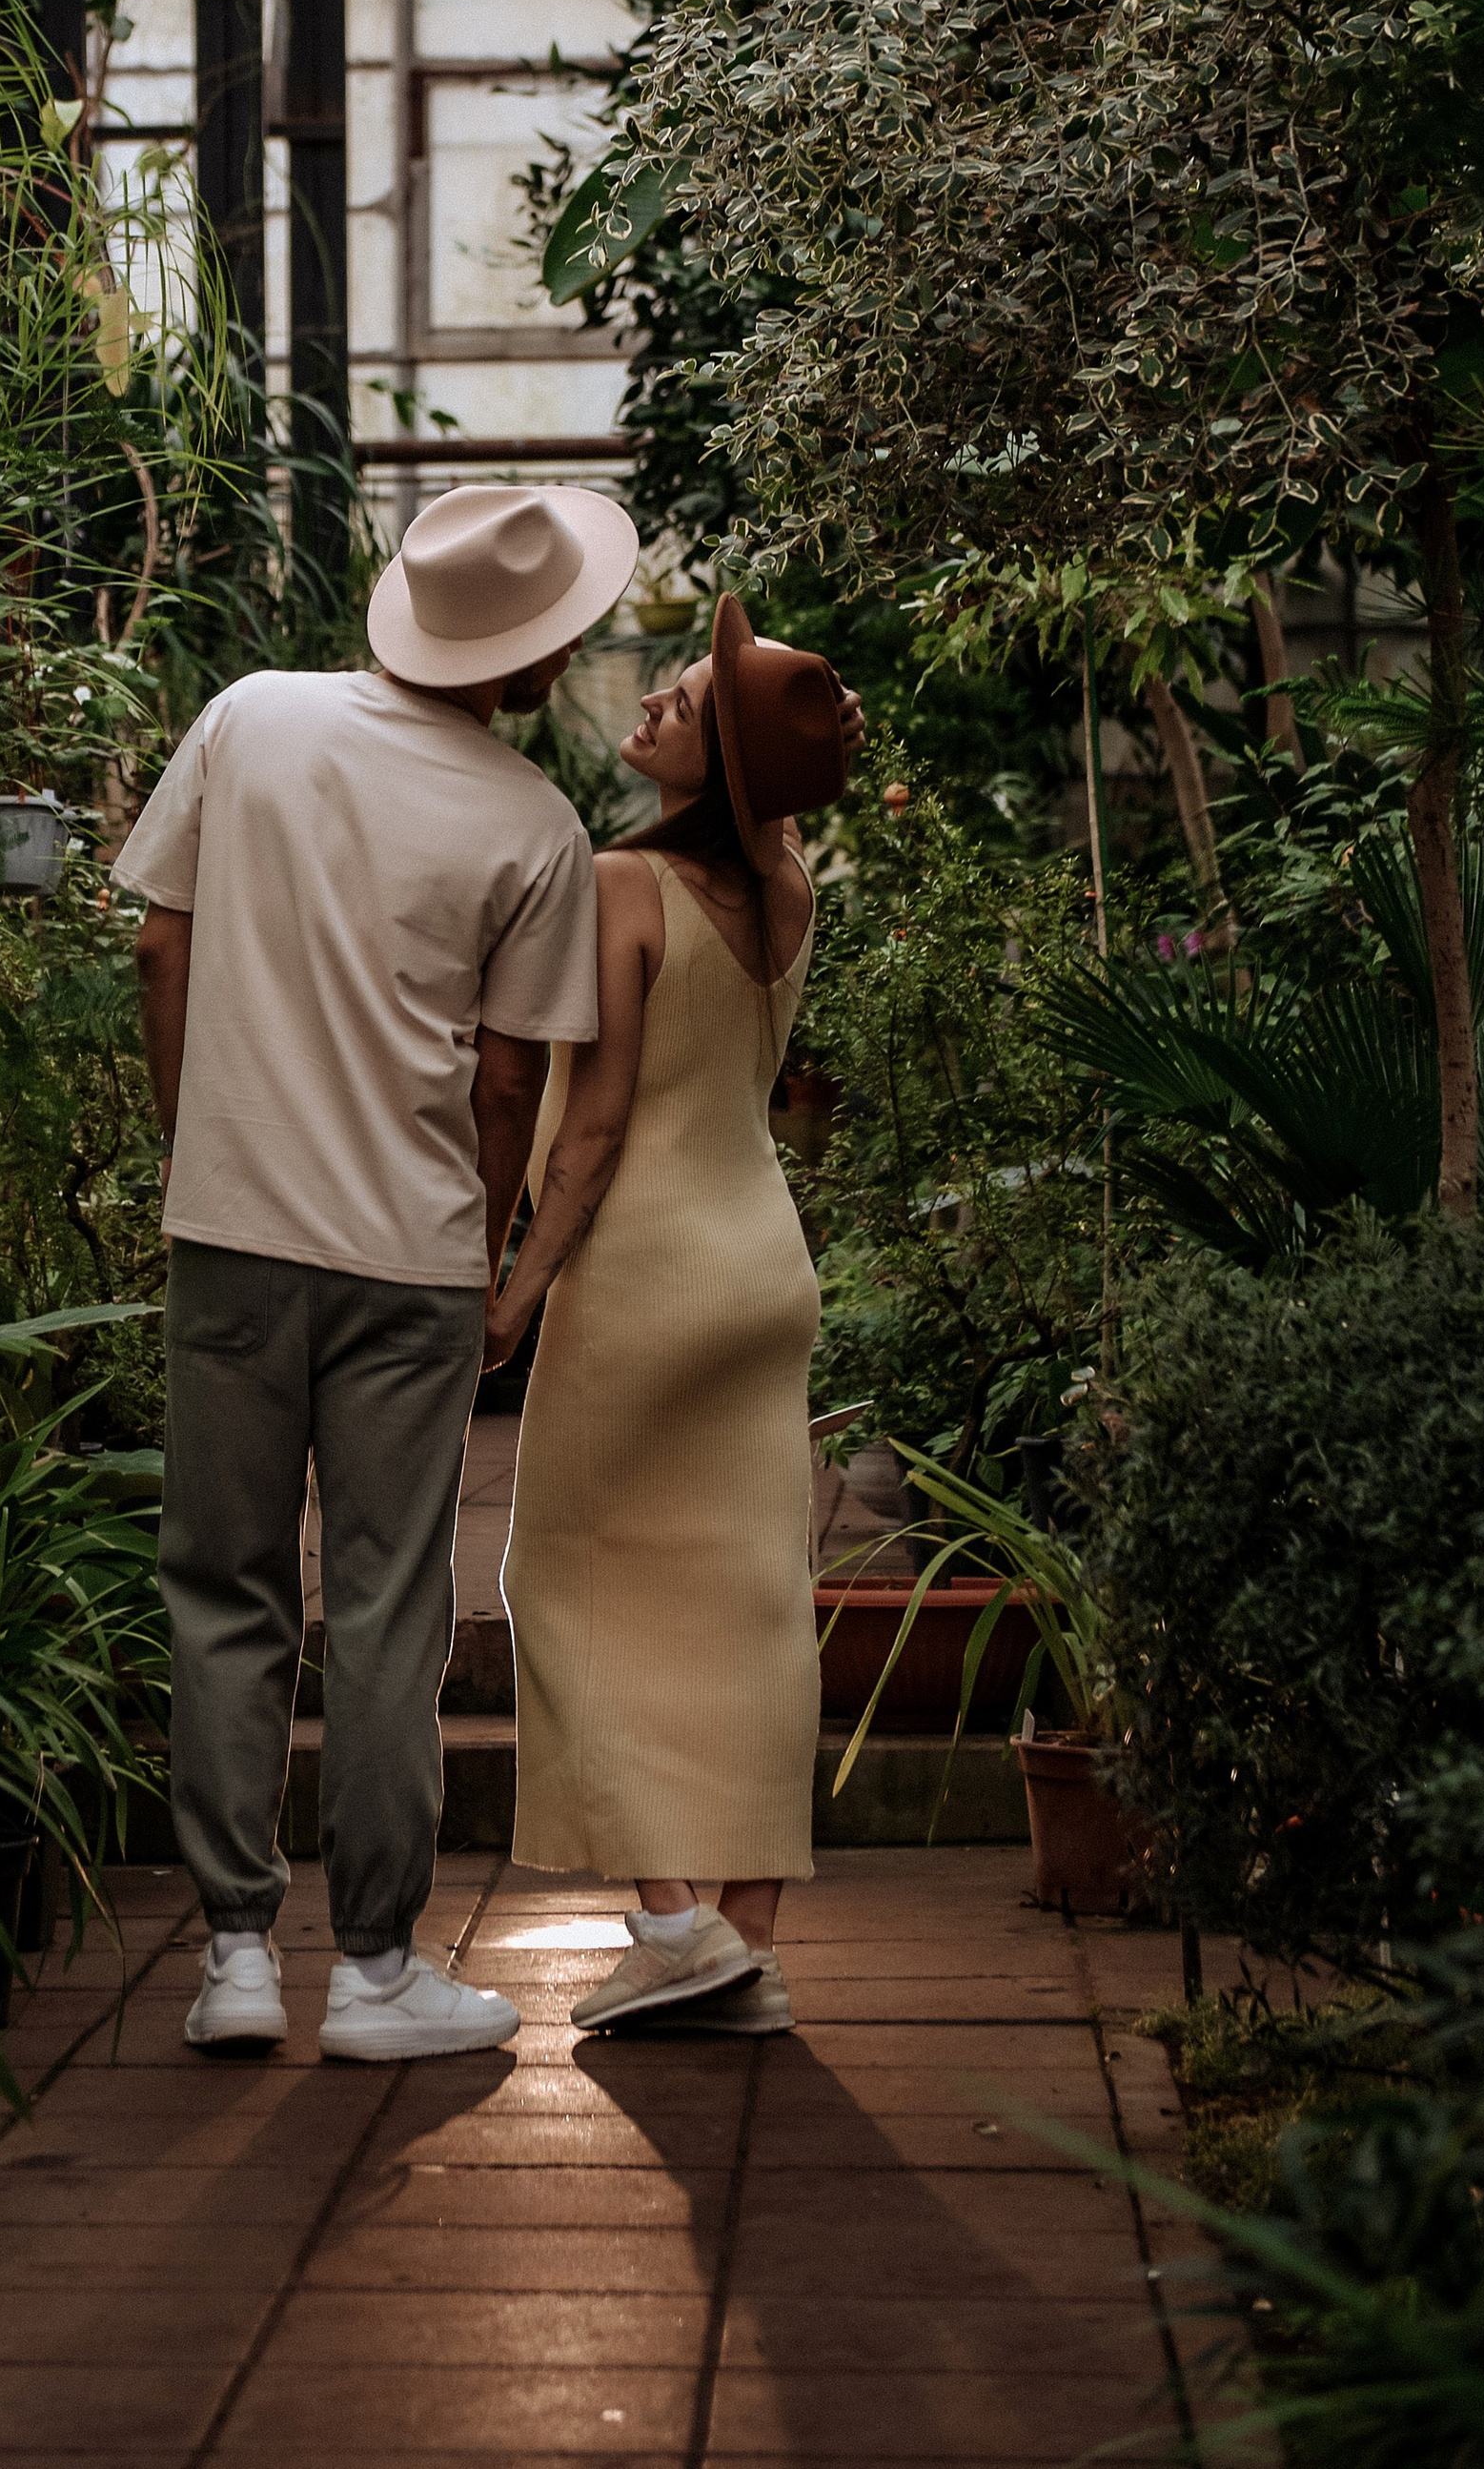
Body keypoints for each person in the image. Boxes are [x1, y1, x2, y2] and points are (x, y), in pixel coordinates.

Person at [117, 481, 641, 2060]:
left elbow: (157, 944)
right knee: (387, 1601)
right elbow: (508, 1078)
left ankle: (232, 1956)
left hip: (231, 1232)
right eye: (564, 636)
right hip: (410, 1259)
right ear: (524, 660)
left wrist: (199, 1143)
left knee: (223, 1586)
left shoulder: (251, 717)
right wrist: (483, 1261)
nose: (572, 654)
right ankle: (373, 1973)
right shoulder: (535, 827)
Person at [492, 595, 860, 2036]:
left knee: (559, 1589)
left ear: (725, 766)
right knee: (755, 1608)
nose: (651, 701)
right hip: (761, 1268)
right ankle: (746, 1946)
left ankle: (667, 1923)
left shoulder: (621, 887)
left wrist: (516, 1293)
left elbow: (591, 1130)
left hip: (643, 1274)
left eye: (687, 703)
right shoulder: (790, 886)